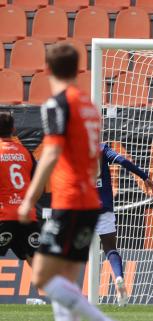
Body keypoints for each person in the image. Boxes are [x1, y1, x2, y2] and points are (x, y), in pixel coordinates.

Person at [18, 43, 114, 321]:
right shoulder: (90, 108)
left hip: (69, 200)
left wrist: (29, 199)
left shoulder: (57, 104)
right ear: (79, 69)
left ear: (46, 70)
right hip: (90, 201)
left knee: (42, 276)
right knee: (67, 281)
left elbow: (50, 154)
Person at [96, 142, 153, 306]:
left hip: (82, 209)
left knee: (71, 251)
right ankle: (119, 279)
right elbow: (123, 161)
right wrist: (144, 176)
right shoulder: (101, 148)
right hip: (103, 206)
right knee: (110, 249)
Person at [0, 111, 40, 267]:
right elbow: (38, 182)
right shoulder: (26, 153)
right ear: (14, 129)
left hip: (4, 215)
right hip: (26, 215)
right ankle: (53, 291)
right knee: (35, 259)